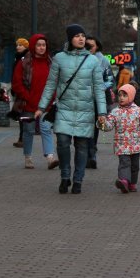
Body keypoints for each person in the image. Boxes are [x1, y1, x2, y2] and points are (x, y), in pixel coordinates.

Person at [35, 25, 106, 195]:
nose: (81, 39)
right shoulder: (59, 58)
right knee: (63, 143)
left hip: (85, 109)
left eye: (83, 35)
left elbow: (98, 88)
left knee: (82, 146)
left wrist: (102, 112)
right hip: (64, 108)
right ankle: (65, 176)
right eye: (77, 36)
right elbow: (51, 84)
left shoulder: (92, 61)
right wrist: (41, 107)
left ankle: (78, 180)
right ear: (70, 39)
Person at [99, 83, 140, 193]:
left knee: (135, 166)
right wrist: (102, 123)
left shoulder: (138, 111)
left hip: (135, 144)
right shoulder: (115, 112)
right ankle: (124, 181)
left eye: (124, 95)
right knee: (124, 163)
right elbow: (109, 126)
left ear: (131, 96)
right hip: (122, 144)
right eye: (120, 95)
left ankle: (132, 183)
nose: (121, 98)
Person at [13, 35, 58, 170]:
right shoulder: (24, 63)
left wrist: (52, 97)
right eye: (38, 45)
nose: (41, 48)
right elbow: (17, 83)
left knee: (46, 129)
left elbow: (55, 82)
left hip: (46, 104)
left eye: (43, 45)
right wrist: (26, 97)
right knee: (28, 130)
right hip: (28, 103)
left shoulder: (50, 63)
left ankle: (50, 158)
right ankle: (28, 157)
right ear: (33, 46)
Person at [85, 35, 114, 169]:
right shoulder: (78, 58)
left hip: (97, 99)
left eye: (92, 45)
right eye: (87, 45)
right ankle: (85, 154)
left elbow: (109, 80)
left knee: (94, 127)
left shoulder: (103, 61)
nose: (89, 48)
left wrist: (98, 89)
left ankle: (91, 155)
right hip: (81, 98)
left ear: (97, 47)